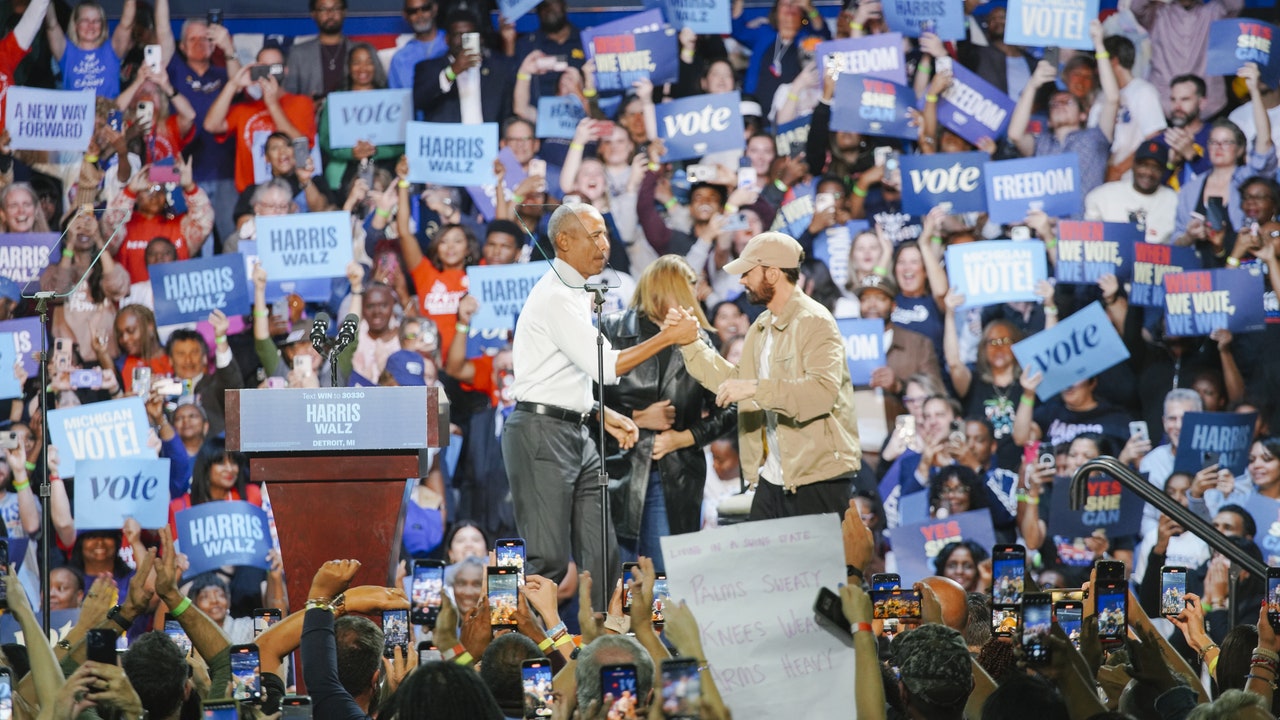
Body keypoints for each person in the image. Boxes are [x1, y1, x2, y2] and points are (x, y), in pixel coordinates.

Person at [501, 202, 698, 606]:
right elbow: (605, 366)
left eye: (605, 234)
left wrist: (598, 412)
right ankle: (512, 639)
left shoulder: (575, 293)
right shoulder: (556, 295)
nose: (604, 245)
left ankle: (606, 638)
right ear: (563, 241)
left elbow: (557, 372)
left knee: (603, 558)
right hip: (541, 435)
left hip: (576, 433)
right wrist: (668, 337)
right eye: (594, 236)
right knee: (548, 561)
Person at [670, 231, 861, 519]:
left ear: (772, 274)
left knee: (816, 553)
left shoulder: (815, 321)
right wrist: (690, 343)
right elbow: (735, 382)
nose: (742, 281)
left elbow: (821, 394)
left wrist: (755, 388)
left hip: (818, 477)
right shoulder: (761, 326)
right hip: (773, 476)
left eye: (748, 272)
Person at [600, 256, 736, 568]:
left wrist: (684, 438)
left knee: (664, 580)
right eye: (688, 287)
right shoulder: (610, 329)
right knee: (615, 579)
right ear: (665, 289)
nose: (695, 295)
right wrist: (635, 418)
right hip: (616, 471)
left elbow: (731, 406)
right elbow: (585, 399)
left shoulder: (699, 341)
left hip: (673, 476)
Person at [284, 0, 350, 100]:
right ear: (313, 14)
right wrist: (306, 104)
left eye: (336, 8)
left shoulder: (360, 50)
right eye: (323, 9)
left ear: (344, 12)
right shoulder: (298, 53)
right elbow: (288, 95)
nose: (330, 14)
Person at [387, 0, 446, 90]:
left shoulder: (452, 43)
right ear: (405, 15)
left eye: (425, 8)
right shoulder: (400, 59)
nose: (420, 15)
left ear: (434, 9)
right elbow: (395, 96)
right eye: (413, 11)